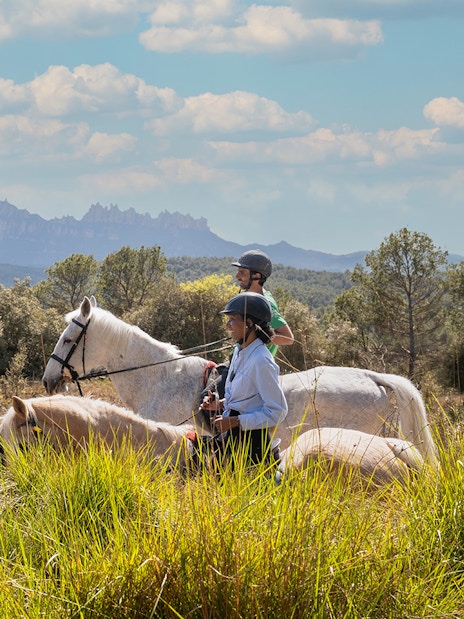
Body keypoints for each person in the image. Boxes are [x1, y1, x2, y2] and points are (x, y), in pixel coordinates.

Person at [198, 292, 288, 466]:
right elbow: (246, 398)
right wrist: (220, 403)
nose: (227, 324)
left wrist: (235, 422)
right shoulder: (240, 350)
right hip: (232, 437)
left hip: (251, 446)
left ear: (249, 323)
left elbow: (278, 411)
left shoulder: (261, 360)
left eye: (232, 319)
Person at [232, 249, 294, 356]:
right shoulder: (253, 298)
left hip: (254, 366)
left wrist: (254, 337)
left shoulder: (265, 303)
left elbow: (288, 338)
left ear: (257, 276)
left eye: (242, 272)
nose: (237, 276)